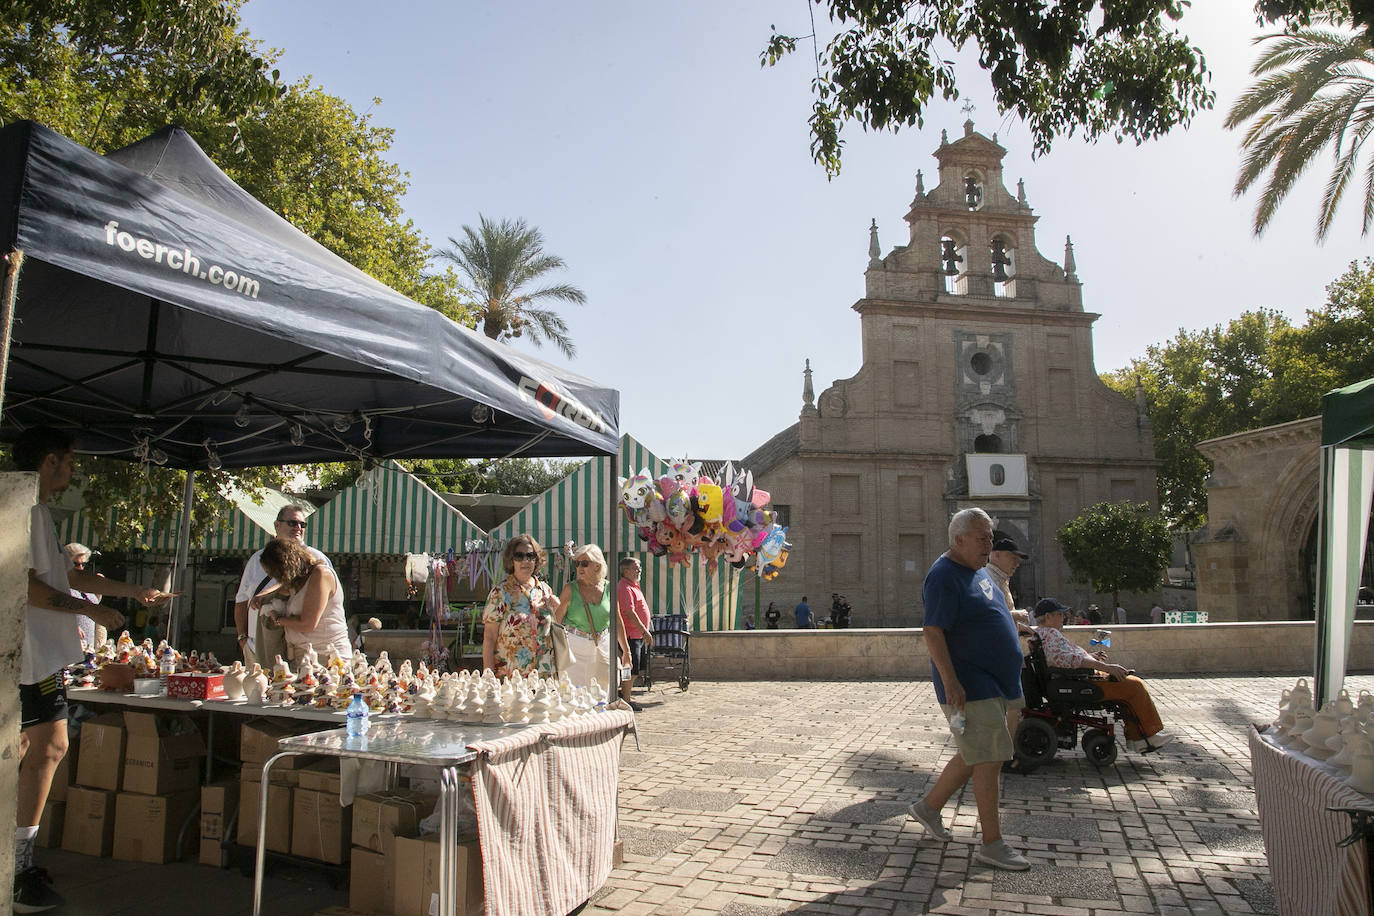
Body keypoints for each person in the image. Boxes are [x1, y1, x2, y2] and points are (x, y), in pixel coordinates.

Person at [12, 427, 163, 912]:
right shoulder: (27, 510)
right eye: (70, 461)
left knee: (36, 748)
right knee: (48, 747)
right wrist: (91, 610)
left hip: (36, 656)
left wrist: (132, 591)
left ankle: (17, 863)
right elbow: (28, 587)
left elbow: (69, 576)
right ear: (50, 461)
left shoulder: (33, 510)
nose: (74, 471)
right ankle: (17, 870)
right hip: (28, 655)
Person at [908, 508, 1030, 870]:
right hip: (971, 685)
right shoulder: (943, 576)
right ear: (959, 539)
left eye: (990, 537)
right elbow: (933, 631)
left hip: (995, 682)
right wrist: (951, 682)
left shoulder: (977, 571)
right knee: (989, 759)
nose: (989, 544)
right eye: (982, 538)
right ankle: (992, 844)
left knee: (976, 752)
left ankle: (928, 808)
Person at [1032, 597, 1171, 752]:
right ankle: (1146, 736)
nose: (1064, 617)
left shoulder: (1043, 634)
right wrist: (1107, 667)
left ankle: (1137, 736)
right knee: (1135, 686)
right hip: (1079, 681)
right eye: (1060, 614)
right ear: (1048, 616)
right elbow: (1068, 660)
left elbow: (1065, 657)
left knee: (1129, 683)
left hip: (1075, 678)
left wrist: (1090, 656)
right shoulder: (1050, 634)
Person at [234, 505, 332, 667]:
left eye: (302, 524)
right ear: (277, 525)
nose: (298, 528)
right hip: (255, 645)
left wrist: (276, 616)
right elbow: (241, 600)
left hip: (298, 647)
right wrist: (242, 638)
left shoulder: (315, 559)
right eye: (292, 523)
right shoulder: (258, 558)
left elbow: (292, 586)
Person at [251, 537, 353, 663]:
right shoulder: (299, 580)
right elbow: (282, 588)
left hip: (326, 657)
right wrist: (262, 596)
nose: (276, 577)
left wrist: (278, 619)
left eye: (276, 573)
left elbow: (307, 624)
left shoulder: (320, 574)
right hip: (302, 655)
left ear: (285, 564)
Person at [982, 536, 1035, 773]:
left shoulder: (1000, 579)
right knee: (1011, 705)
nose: (1016, 563)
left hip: (1006, 652)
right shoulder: (988, 578)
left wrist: (1020, 627)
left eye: (1018, 559)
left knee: (1010, 707)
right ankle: (1003, 756)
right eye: (1012, 557)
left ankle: (1003, 753)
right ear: (995, 556)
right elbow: (988, 612)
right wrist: (1017, 615)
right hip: (998, 654)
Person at [482, 535, 560, 678]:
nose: (525, 561)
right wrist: (488, 674)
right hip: (511, 678)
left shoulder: (544, 590)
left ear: (536, 559)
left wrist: (557, 609)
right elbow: (489, 637)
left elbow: (553, 631)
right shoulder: (500, 593)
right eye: (519, 556)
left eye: (530, 556)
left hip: (543, 676)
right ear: (511, 560)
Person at [555, 544, 630, 692]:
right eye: (577, 564)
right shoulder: (570, 589)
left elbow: (617, 621)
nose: (579, 568)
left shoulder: (609, 588)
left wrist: (627, 651)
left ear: (597, 566)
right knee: (573, 695)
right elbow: (555, 623)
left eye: (584, 563)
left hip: (603, 646)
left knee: (603, 693)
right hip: (575, 649)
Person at [616, 556, 652, 711]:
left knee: (636, 669)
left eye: (639, 568)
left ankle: (625, 694)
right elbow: (629, 612)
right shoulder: (624, 587)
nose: (639, 571)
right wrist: (644, 631)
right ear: (625, 571)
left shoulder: (633, 586)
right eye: (635, 568)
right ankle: (626, 699)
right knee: (630, 668)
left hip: (638, 635)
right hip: (630, 635)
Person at [62, 542, 105, 651]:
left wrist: (98, 593)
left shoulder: (84, 583)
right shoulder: (59, 584)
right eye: (76, 564)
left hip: (87, 646)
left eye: (83, 564)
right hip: (67, 646)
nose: (81, 568)